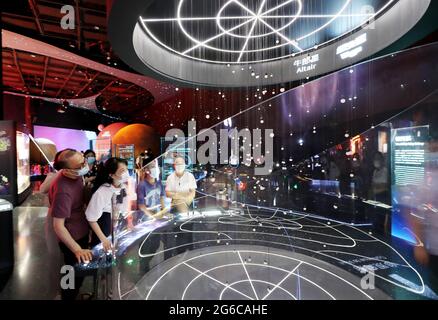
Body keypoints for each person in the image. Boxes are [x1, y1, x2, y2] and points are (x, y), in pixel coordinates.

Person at [49, 149, 92, 300]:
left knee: (78, 273)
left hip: (81, 230)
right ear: (67, 169)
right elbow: (58, 226)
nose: (85, 165)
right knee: (71, 275)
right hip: (72, 237)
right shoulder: (63, 190)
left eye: (84, 160)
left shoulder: (75, 175)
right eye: (81, 165)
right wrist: (77, 249)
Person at [85, 158, 130, 251]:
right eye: (122, 171)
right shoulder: (102, 192)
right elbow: (91, 219)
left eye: (126, 169)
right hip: (103, 232)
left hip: (116, 230)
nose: (126, 173)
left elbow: (124, 209)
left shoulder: (123, 187)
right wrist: (104, 240)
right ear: (111, 175)